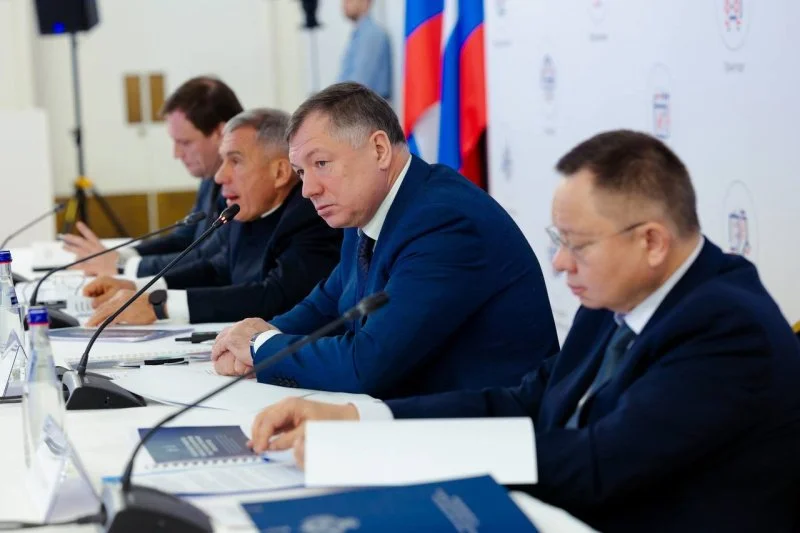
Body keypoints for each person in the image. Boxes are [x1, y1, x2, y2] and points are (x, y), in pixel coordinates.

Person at [246, 130, 800, 533]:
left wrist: (381, 450)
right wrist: (360, 419)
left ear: (652, 242)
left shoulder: (727, 328)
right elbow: (526, 399)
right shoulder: (617, 293)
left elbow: (595, 464)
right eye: (558, 240)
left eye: (577, 244)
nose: (559, 263)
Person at [210, 82, 558, 400]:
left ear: (378, 149)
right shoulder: (366, 208)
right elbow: (328, 302)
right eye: (302, 171)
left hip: (483, 430)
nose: (308, 189)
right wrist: (260, 334)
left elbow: (367, 365)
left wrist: (261, 348)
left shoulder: (445, 222)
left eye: (321, 163)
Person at [81, 109, 342, 327]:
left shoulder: (313, 214)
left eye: (235, 161)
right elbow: (217, 270)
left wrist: (159, 306)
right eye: (222, 161)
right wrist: (138, 287)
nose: (219, 176)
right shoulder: (245, 208)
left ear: (280, 172)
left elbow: (275, 296)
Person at [62, 76, 242, 277]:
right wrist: (120, 256)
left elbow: (210, 258)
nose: (176, 154)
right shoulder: (210, 175)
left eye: (185, 143)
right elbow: (184, 239)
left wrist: (122, 265)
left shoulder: (242, 186)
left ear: (220, 132)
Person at [337, 0, 392, 101]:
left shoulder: (371, 35)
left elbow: (357, 86)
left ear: (366, 2)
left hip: (363, 108)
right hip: (355, 106)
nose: (344, 2)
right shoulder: (360, 35)